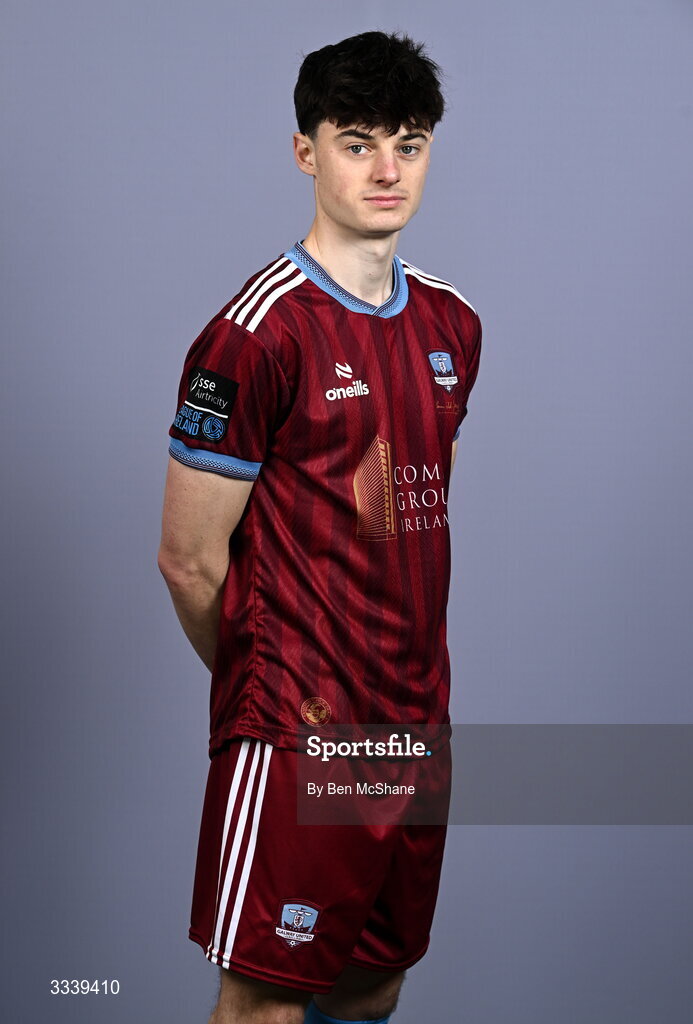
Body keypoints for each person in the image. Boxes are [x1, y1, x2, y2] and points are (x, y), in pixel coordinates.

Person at [158, 29, 483, 1024]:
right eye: (358, 141)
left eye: (410, 142)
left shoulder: (451, 325)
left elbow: (398, 504)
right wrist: (274, 688)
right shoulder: (254, 335)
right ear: (308, 152)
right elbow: (187, 560)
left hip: (412, 725)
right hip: (301, 735)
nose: (387, 169)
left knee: (373, 983)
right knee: (263, 999)